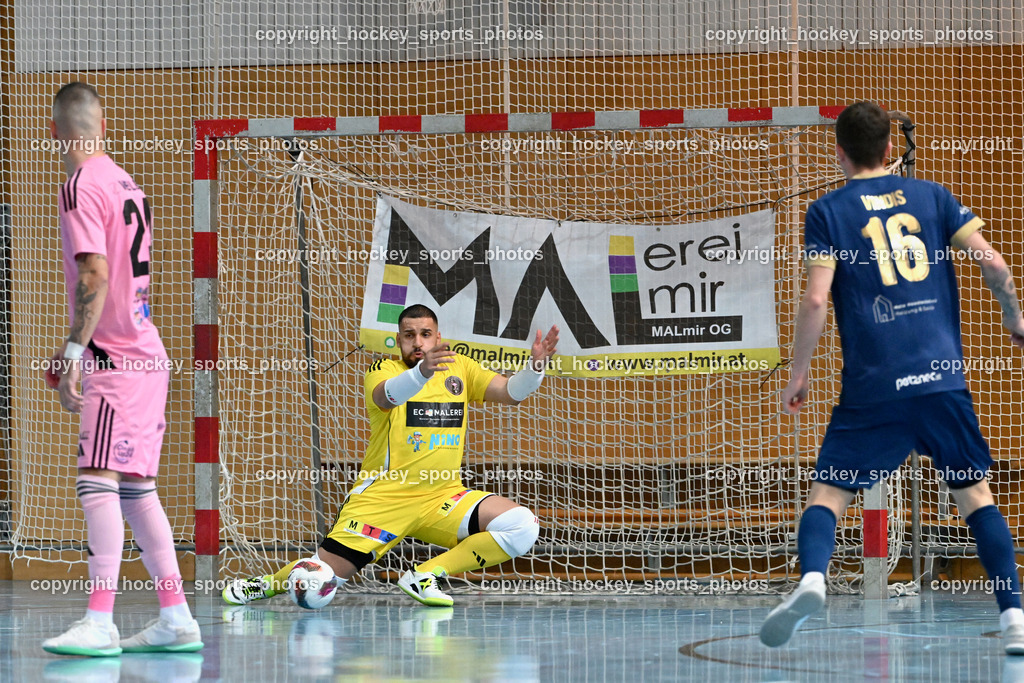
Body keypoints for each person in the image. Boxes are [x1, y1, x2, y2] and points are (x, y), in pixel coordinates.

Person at [759, 101, 1024, 654]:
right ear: (888, 149)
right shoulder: (933, 196)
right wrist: (1013, 318)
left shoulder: (827, 211)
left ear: (839, 151)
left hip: (873, 386)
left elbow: (815, 300)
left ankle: (813, 580)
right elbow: (994, 263)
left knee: (829, 492)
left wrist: (799, 373)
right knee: (975, 496)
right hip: (941, 380)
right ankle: (1014, 619)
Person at [224, 304, 558, 607]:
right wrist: (422, 372)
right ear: (398, 340)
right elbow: (386, 397)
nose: (418, 342)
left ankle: (424, 575)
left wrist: (535, 368)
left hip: (442, 496)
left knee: (522, 525)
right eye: (409, 335)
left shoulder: (460, 368)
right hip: (384, 499)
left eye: (425, 334)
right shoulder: (383, 369)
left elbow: (510, 393)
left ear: (437, 337)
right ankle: (264, 585)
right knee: (320, 578)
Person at [41, 82, 203, 656]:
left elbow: (94, 274)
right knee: (137, 491)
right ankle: (177, 617)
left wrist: (75, 352)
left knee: (96, 482)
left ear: (54, 132)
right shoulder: (126, 181)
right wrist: (78, 346)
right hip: (145, 355)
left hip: (116, 362)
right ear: (103, 125)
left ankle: (99, 621)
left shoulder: (80, 185)